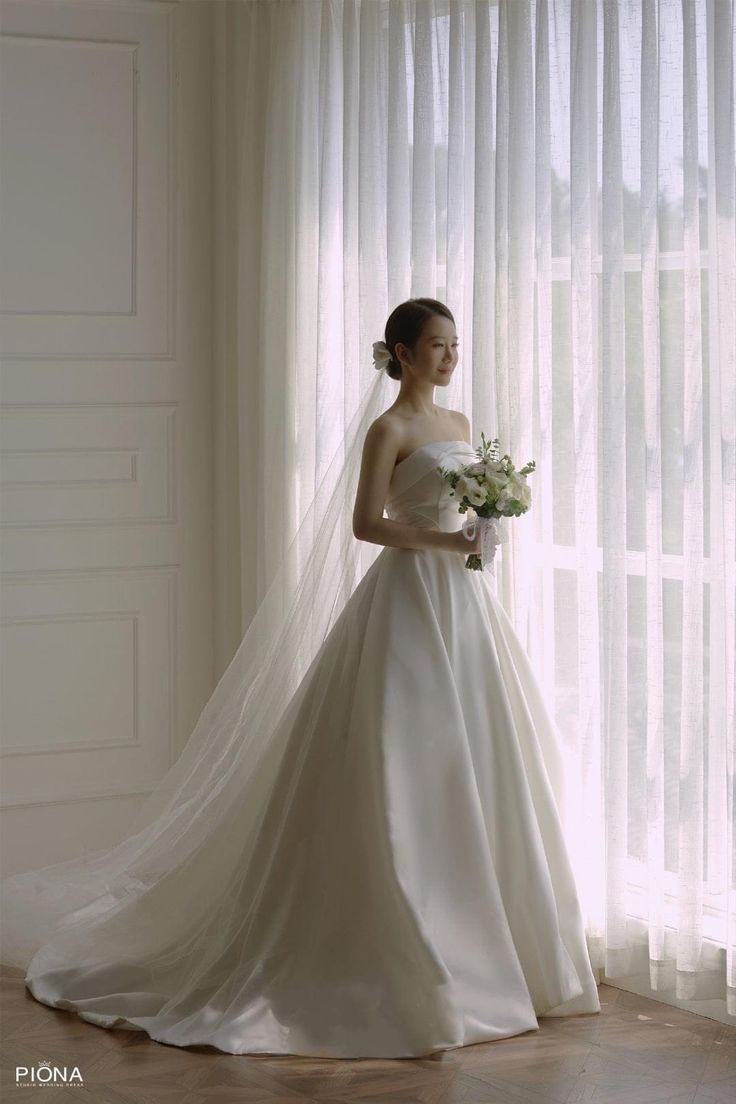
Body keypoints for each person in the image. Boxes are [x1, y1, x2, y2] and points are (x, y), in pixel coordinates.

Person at [0, 298, 600, 1059]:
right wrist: (447, 542)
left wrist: (489, 525)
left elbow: (469, 503)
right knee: (402, 755)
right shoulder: (390, 430)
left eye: (455, 345)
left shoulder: (459, 425)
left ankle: (496, 944)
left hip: (464, 604)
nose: (451, 358)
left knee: (482, 754)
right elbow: (366, 523)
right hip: (410, 594)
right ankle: (406, 949)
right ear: (402, 353)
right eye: (437, 347)